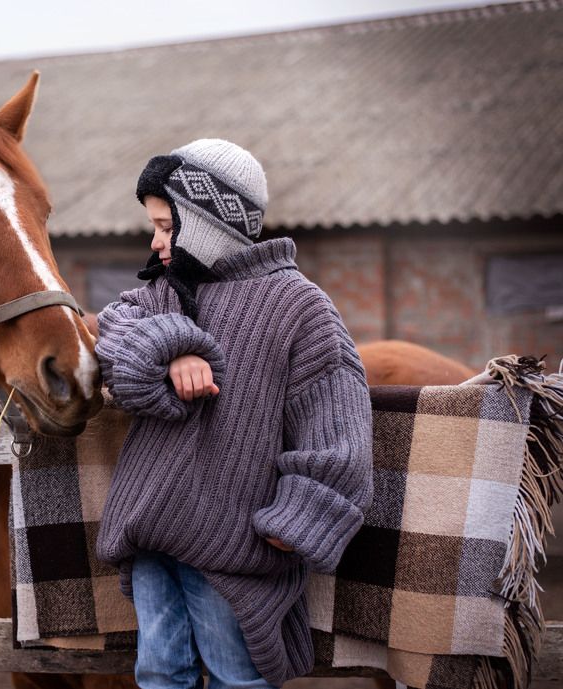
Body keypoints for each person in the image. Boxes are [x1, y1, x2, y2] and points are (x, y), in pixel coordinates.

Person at [93, 139, 374, 689]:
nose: (155, 241)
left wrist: (299, 519)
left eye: (166, 227)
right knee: (158, 671)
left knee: (234, 676)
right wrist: (173, 345)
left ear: (207, 222)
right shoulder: (159, 299)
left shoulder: (298, 305)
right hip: (150, 529)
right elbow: (111, 334)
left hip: (232, 543)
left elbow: (337, 424)